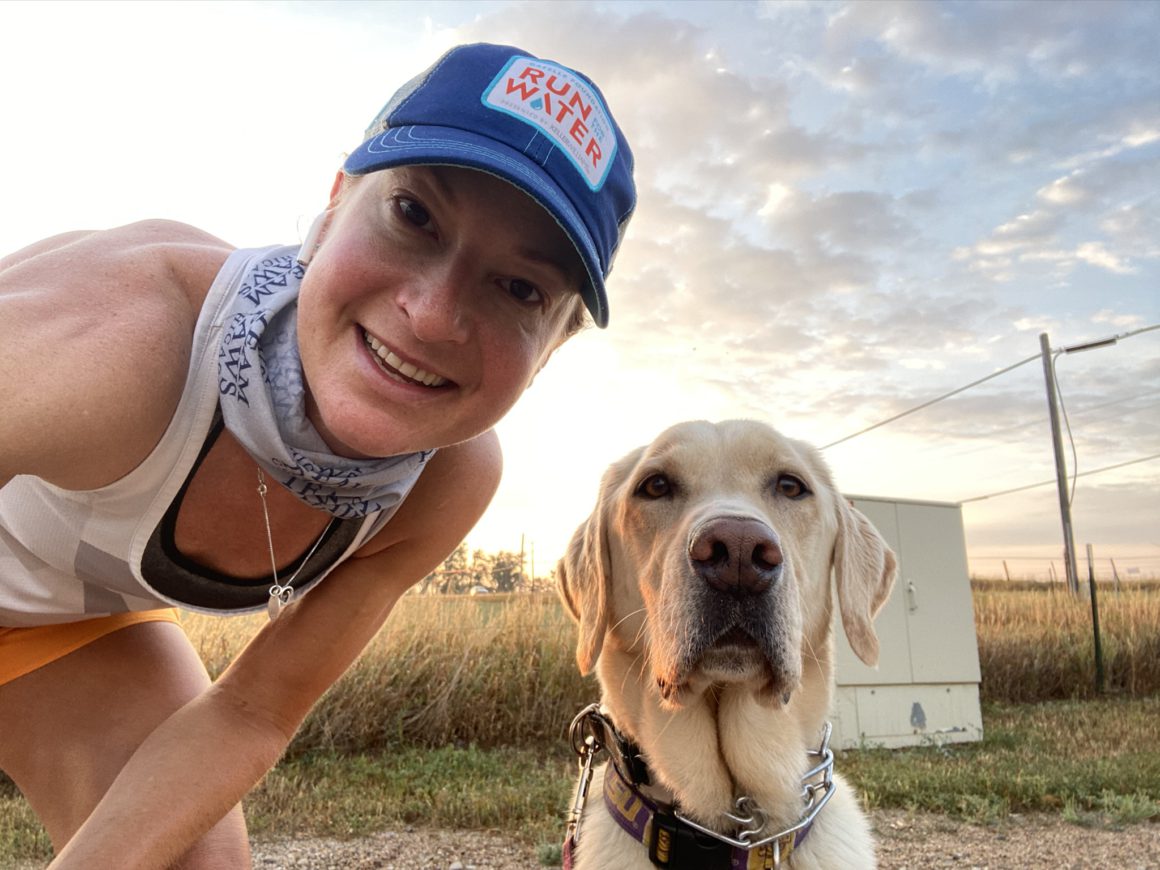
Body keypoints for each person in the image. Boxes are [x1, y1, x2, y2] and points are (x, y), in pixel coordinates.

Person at [0, 42, 635, 869]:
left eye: (521, 289)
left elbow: (253, 713)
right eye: (413, 215)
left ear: (552, 347)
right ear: (334, 206)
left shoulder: (451, 480)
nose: (433, 314)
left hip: (63, 628)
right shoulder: (125, 342)